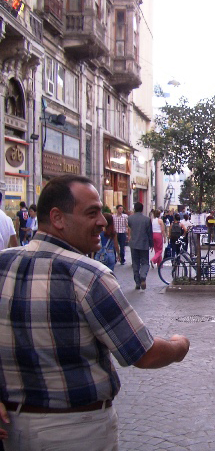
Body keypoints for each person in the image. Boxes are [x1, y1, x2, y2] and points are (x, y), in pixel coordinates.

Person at [0, 175, 190, 450]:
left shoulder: (4, 263)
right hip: (77, 431)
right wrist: (179, 345)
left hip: (12, 428)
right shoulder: (88, 275)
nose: (102, 221)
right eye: (91, 213)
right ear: (57, 218)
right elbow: (143, 353)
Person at [128, 202, 153, 290]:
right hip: (144, 243)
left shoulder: (130, 218)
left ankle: (137, 282)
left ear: (134, 208)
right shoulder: (147, 219)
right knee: (145, 262)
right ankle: (143, 276)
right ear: (142, 209)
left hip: (134, 243)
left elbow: (130, 228)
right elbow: (149, 233)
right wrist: (151, 243)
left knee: (135, 263)